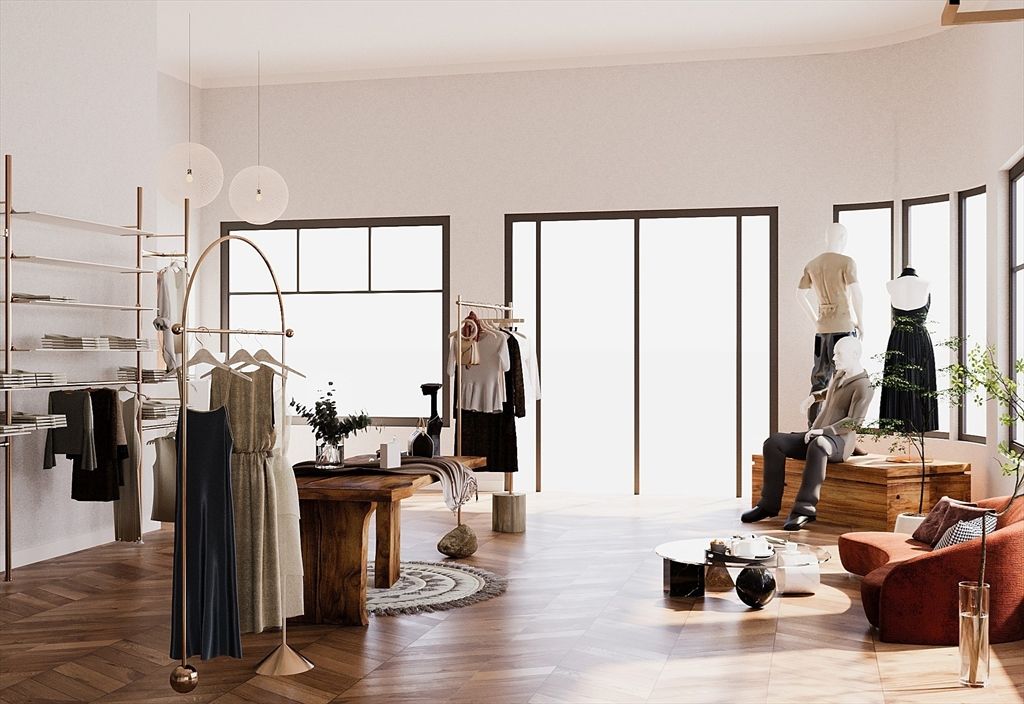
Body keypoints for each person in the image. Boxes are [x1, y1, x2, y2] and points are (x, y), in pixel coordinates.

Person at [743, 336, 874, 530]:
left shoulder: (864, 386)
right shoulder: (840, 374)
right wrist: (813, 397)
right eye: (834, 353)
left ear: (855, 355)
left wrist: (824, 431)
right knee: (774, 442)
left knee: (819, 444)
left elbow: (855, 422)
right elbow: (829, 393)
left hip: (837, 443)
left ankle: (804, 510)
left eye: (839, 354)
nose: (834, 358)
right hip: (816, 435)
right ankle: (768, 505)